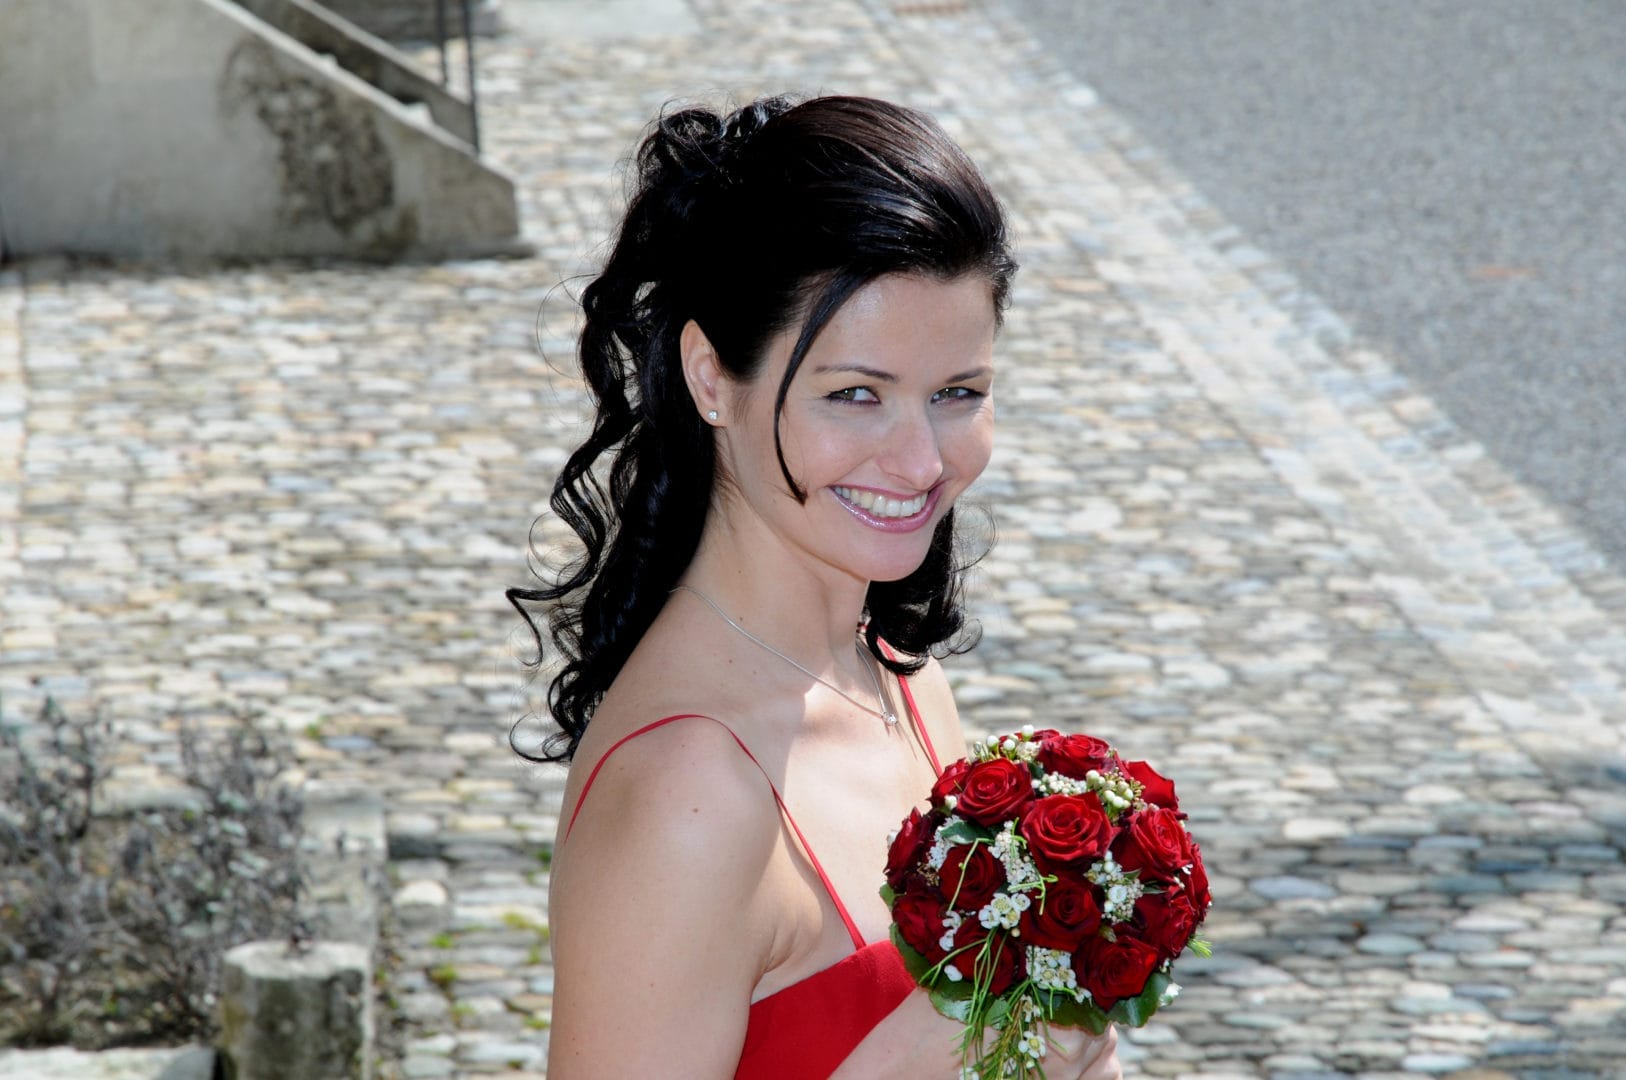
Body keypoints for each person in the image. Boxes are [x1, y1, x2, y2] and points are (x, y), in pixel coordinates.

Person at [514, 94, 1122, 1078]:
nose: (922, 460)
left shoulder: (902, 680)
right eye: (855, 394)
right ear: (711, 378)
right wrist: (930, 1051)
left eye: (957, 393)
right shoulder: (688, 798)